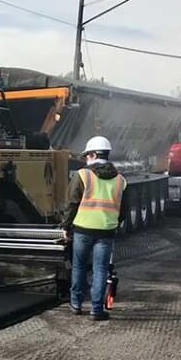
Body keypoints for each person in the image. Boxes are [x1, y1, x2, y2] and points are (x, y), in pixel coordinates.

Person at [62, 136, 128, 321]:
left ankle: (76, 303)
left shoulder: (82, 175)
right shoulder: (120, 179)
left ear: (92, 154)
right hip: (106, 231)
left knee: (79, 267)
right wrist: (114, 222)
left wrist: (65, 226)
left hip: (83, 229)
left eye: (86, 156)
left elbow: (72, 203)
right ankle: (97, 310)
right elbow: (124, 208)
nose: (85, 159)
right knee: (100, 269)